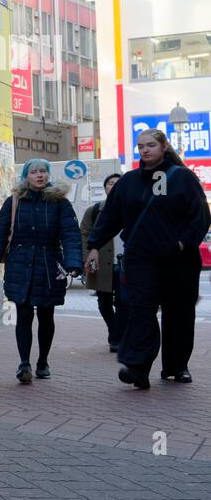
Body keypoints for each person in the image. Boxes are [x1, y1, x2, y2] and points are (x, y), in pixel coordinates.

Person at [87, 129, 211, 390]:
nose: (145, 150)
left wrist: (181, 242)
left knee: (178, 312)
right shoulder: (129, 181)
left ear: (164, 146)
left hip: (179, 258)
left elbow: (200, 215)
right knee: (141, 309)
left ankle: (177, 367)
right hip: (140, 257)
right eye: (141, 146)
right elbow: (110, 216)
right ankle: (137, 367)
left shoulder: (183, 177)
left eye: (151, 145)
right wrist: (95, 245)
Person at [0, 159, 83, 383]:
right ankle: (24, 362)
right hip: (19, 264)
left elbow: (70, 235)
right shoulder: (14, 202)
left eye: (43, 171)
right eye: (34, 172)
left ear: (48, 175)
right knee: (24, 314)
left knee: (47, 315)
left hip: (49, 265)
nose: (39, 175)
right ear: (26, 176)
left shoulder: (60, 203)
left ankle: (43, 361)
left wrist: (74, 264)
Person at [79, 173, 126, 351]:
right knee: (104, 300)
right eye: (110, 183)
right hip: (101, 262)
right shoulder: (95, 210)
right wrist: (87, 256)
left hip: (125, 264)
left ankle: (117, 337)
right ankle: (114, 331)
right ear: (105, 188)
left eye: (118, 183)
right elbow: (84, 234)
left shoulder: (132, 208)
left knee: (123, 301)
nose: (113, 186)